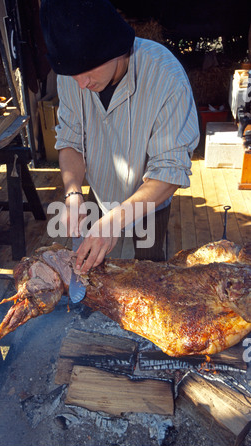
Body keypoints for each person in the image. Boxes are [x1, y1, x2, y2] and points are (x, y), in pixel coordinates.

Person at [40, 0, 200, 273]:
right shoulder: (72, 76)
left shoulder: (166, 76)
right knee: (89, 269)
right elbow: (70, 140)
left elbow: (170, 170)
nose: (81, 84)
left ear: (115, 49)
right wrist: (73, 192)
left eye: (87, 71)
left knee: (150, 273)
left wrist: (116, 221)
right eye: (72, 75)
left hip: (149, 200)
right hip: (99, 190)